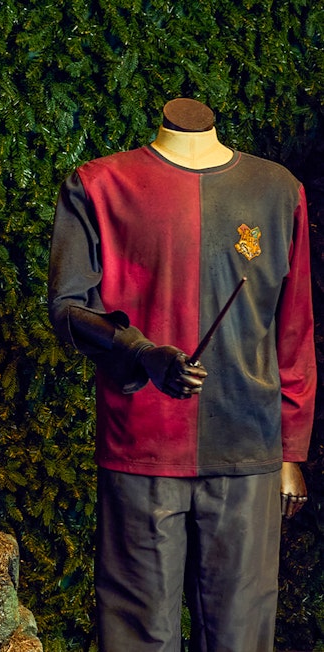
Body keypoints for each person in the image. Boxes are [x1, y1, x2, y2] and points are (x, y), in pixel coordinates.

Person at [48, 97, 315, 651]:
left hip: (247, 446)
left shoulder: (277, 190)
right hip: (140, 440)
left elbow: (294, 329)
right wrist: (143, 352)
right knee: (138, 634)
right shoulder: (100, 184)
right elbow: (67, 306)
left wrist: (291, 452)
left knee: (241, 636)